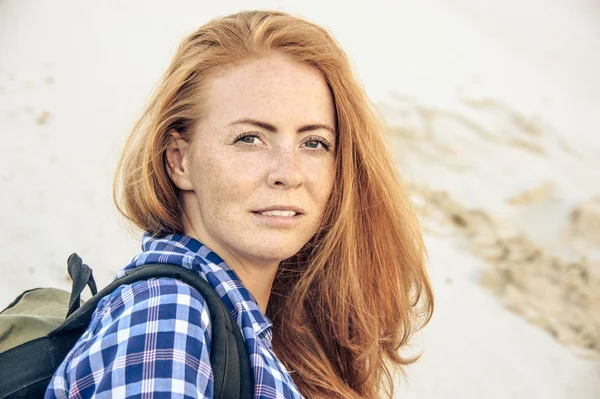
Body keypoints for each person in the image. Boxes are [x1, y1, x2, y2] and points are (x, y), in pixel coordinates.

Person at [45, 10, 433, 399]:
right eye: (250, 138)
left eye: (313, 143)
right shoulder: (169, 311)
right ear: (179, 160)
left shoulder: (256, 330)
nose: (289, 173)